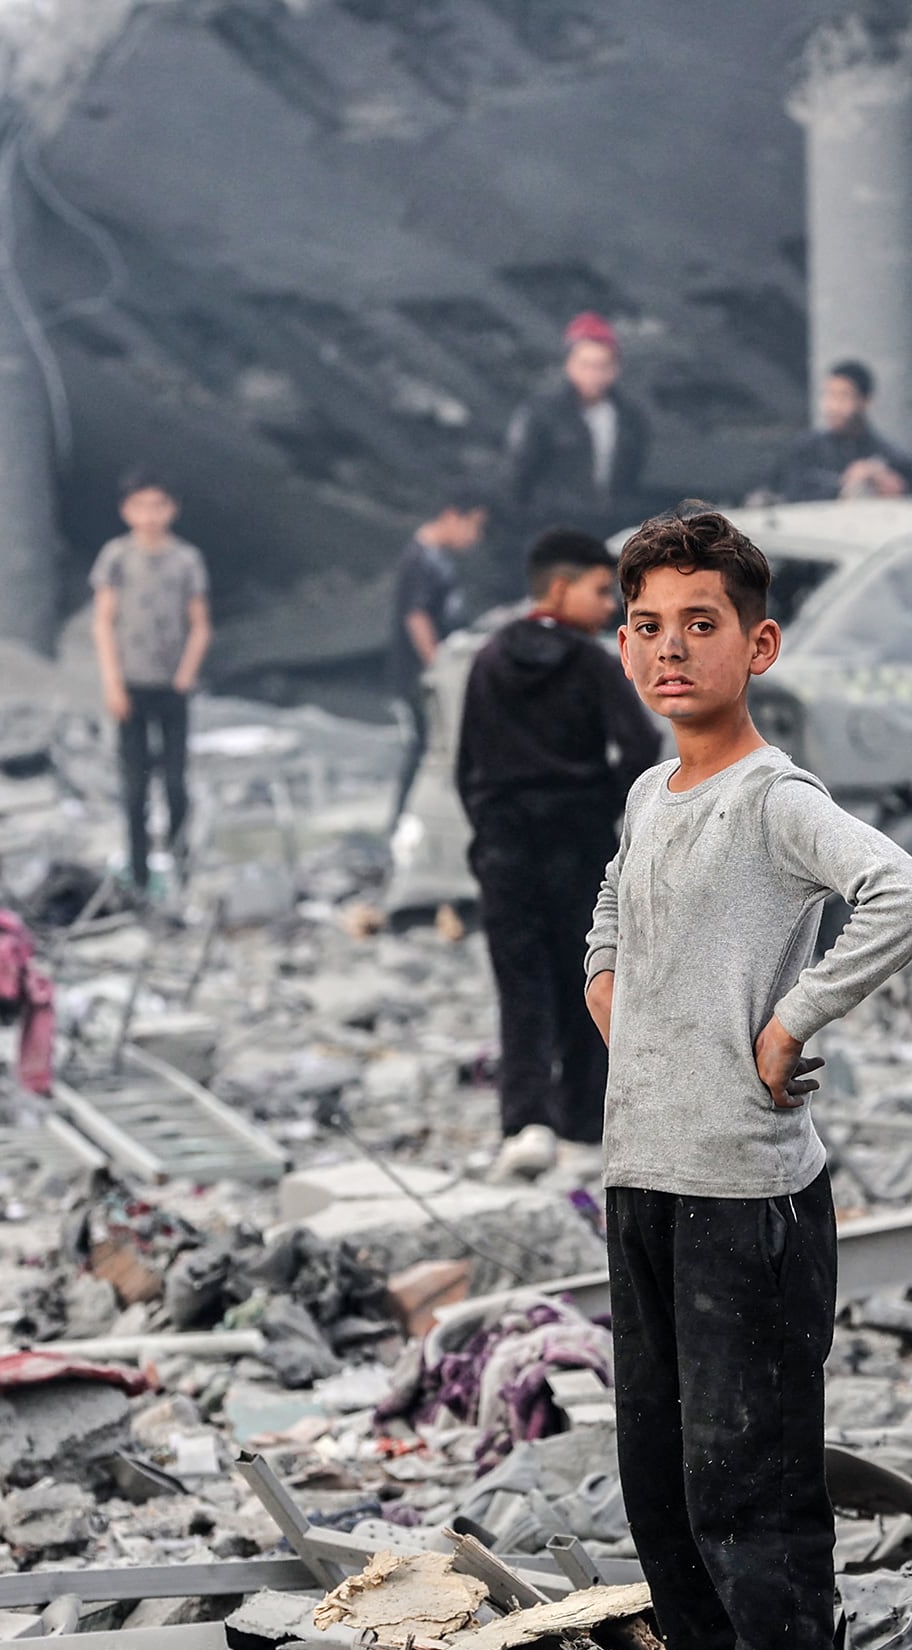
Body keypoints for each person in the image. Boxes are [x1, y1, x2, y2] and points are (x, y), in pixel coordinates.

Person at [584, 510, 912, 1650]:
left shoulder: (774, 798)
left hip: (749, 1197)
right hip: (645, 1177)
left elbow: (903, 895)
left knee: (751, 1483)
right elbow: (609, 916)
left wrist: (791, 1023)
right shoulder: (651, 794)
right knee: (662, 1481)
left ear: (760, 643)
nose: (669, 650)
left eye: (701, 624)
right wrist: (621, 1000)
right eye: (646, 627)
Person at [457, 528, 662, 1179]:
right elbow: (641, 746)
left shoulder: (489, 659)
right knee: (588, 978)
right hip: (579, 846)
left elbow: (467, 765)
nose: (609, 607)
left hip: (506, 848)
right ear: (560, 587)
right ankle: (581, 1126)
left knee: (521, 985)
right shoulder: (592, 664)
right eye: (601, 592)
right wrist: (603, 802)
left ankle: (525, 1124)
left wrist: (491, 826)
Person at [89, 469, 212, 892]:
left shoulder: (186, 560)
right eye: (140, 505)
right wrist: (112, 682)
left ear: (172, 509)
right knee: (135, 789)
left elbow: (200, 624)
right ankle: (139, 877)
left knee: (176, 785)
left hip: (172, 688)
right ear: (126, 511)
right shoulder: (116, 558)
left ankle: (181, 867)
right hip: (131, 687)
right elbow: (103, 623)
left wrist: (186, 675)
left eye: (158, 505)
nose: (150, 515)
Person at [497, 313, 652, 544]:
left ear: (615, 368)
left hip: (609, 527)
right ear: (569, 365)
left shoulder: (630, 417)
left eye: (602, 366)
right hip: (553, 529)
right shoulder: (541, 413)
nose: (594, 375)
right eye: (586, 365)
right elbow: (517, 476)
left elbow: (633, 474)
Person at [388, 490, 488, 826]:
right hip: (421, 678)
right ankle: (404, 823)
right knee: (424, 748)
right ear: (451, 515)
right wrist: (437, 669)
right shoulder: (421, 559)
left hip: (433, 674)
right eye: (473, 525)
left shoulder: (439, 559)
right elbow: (417, 617)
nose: (476, 536)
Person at [766, 360, 912, 502]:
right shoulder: (805, 450)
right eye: (829, 395)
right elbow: (791, 495)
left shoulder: (891, 456)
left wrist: (895, 488)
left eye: (843, 396)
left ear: (865, 401)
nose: (833, 406)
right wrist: (844, 485)